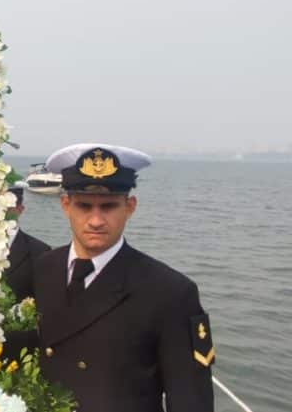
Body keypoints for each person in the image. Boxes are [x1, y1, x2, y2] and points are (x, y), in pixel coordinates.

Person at [33, 143, 214, 411]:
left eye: (108, 207)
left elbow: (190, 400)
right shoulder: (44, 267)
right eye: (84, 206)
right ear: (65, 205)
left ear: (130, 206)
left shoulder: (170, 292)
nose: (95, 220)